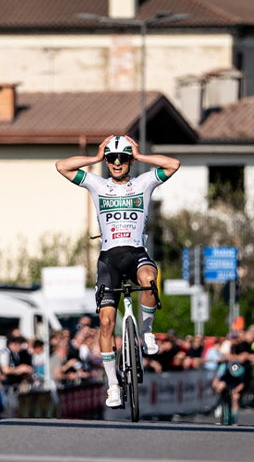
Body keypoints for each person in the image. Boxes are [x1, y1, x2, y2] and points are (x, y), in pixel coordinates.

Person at [55, 134, 180, 407]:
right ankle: (113, 384)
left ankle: (146, 330)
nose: (117, 162)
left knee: (149, 279)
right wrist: (95, 157)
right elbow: (61, 166)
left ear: (130, 161)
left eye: (123, 158)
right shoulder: (98, 184)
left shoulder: (143, 183)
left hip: (136, 253)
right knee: (106, 323)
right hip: (109, 260)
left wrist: (141, 155)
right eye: (112, 158)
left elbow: (173, 164)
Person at [212, 361, 245, 426]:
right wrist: (214, 388)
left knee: (235, 398)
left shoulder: (242, 370)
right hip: (225, 379)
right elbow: (216, 379)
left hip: (234, 382)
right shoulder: (223, 367)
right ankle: (219, 403)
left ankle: (234, 418)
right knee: (221, 386)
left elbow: (242, 384)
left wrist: (235, 390)